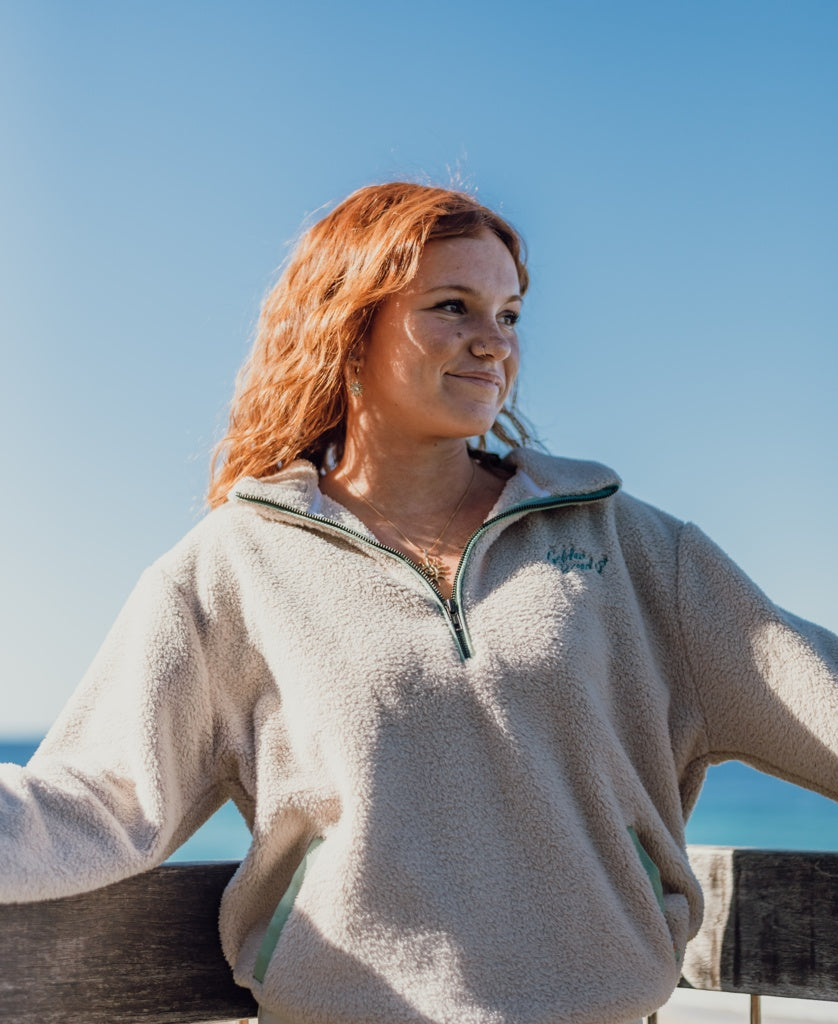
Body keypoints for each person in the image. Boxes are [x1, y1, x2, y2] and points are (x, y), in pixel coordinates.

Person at [1, 181, 837, 1024]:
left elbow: (820, 702)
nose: (492, 345)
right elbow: (98, 797)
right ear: (346, 325)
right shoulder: (235, 565)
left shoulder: (634, 548)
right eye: (453, 307)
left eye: (508, 316)